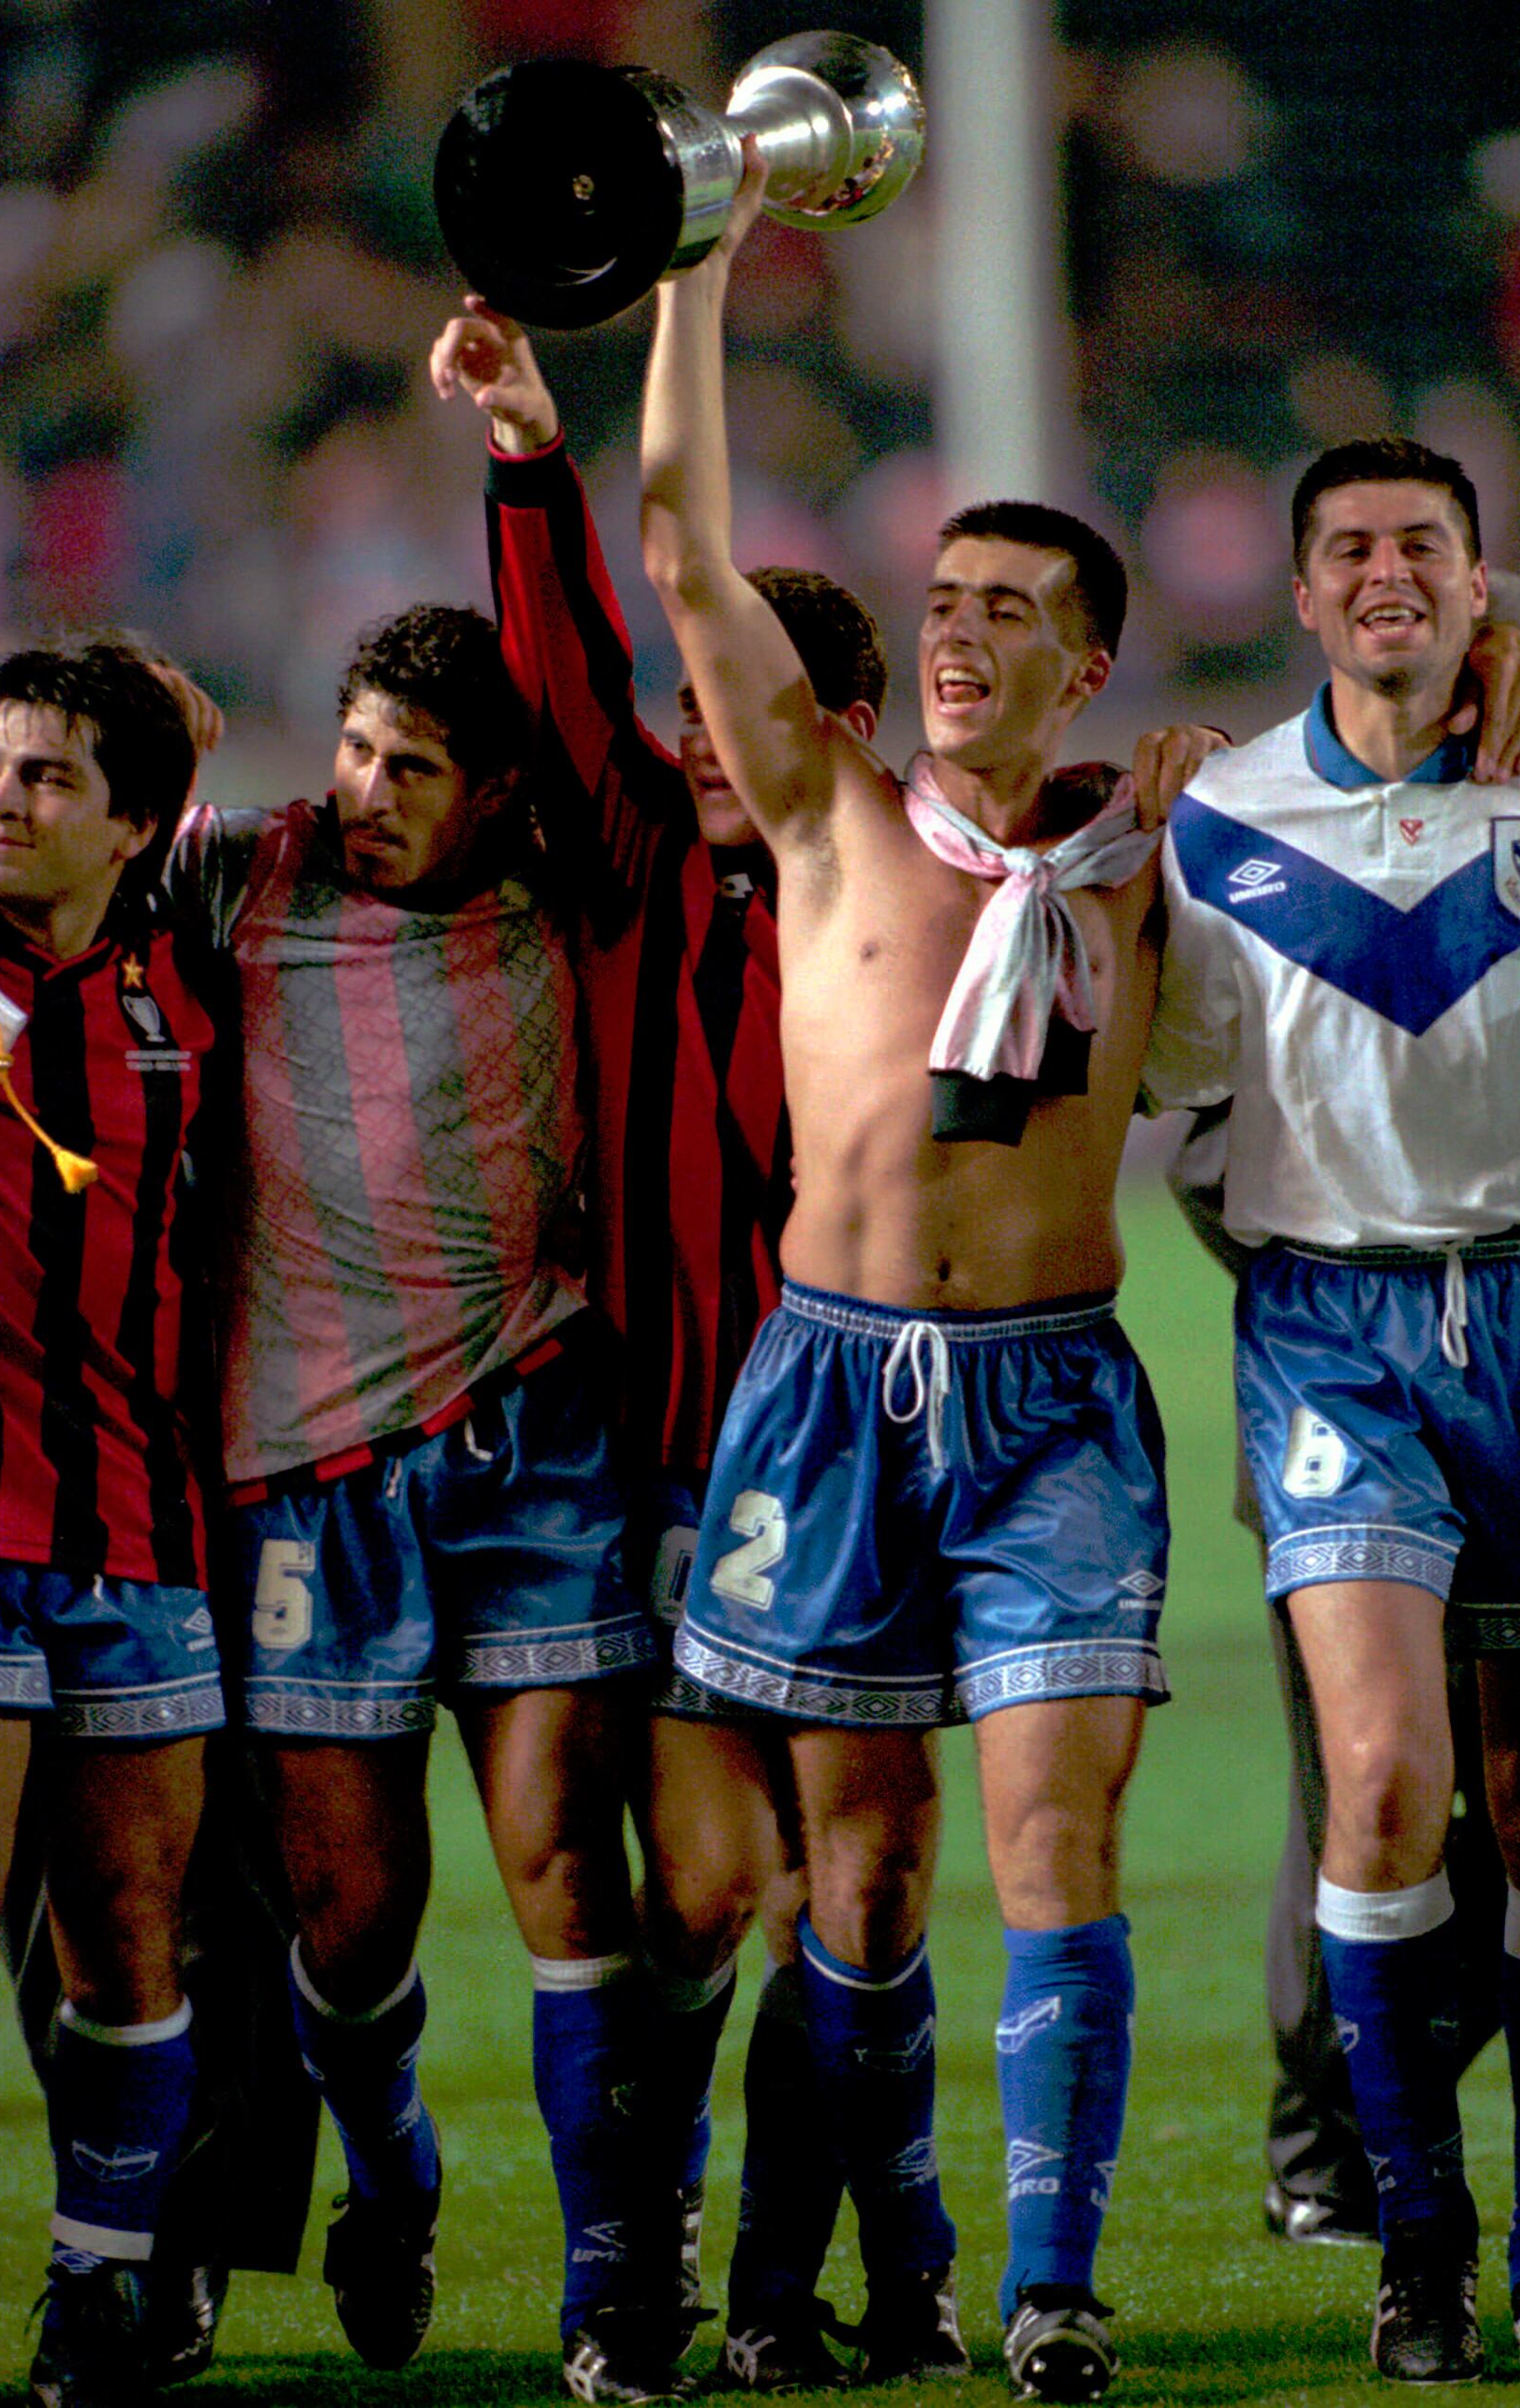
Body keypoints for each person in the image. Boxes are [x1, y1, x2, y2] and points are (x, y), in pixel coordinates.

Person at [633, 157, 1232, 2407]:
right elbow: (685, 538)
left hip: (1057, 1399)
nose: (960, 625)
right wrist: (698, 259)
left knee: (1053, 1833)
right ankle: (803, 2272)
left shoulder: (1177, 850)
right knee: (856, 1882)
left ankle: (1054, 2289)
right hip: (833, 1382)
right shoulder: (830, 815)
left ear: (1088, 659)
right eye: (943, 594)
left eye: (1011, 605)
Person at [1145, 435, 1520, 2385]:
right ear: (1299, 596)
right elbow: (1167, 1101)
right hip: (1335, 1329)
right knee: (1388, 1779)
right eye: (1349, 550)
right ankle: (1420, 2239)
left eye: (1424, 546)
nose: (1386, 574)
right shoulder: (1218, 822)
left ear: (1484, 588)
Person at [430, 295, 890, 2396]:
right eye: (694, 702)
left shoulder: (906, 899)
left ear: (841, 720)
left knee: (816, 1893)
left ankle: (804, 2260)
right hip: (657, 1462)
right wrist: (530, 459)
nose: (708, 731)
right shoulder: (625, 878)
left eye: (751, 702)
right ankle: (659, 2249)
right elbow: (557, 678)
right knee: (695, 1884)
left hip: (867, 1453)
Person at [164, 601, 663, 2389]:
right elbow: (35, 860)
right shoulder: (241, 875)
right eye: (360, 746)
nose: (367, 790)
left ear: (499, 791)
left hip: (533, 1445)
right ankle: (393, 2183)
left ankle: (613, 2288)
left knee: (560, 1871)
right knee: (350, 1917)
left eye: (414, 767)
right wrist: (124, 733)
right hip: (307, 1476)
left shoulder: (573, 889)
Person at [0, 636, 222, 2408]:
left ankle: (102, 2284)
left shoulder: (186, 990)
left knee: (129, 1925)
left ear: (137, 826)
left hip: (142, 1528)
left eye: (46, 776)